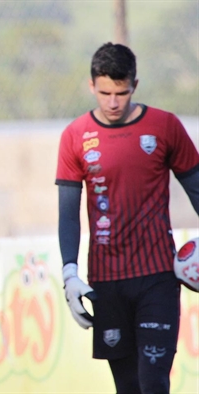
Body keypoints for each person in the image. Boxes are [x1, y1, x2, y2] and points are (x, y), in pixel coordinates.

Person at [55, 42, 199, 393]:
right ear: (92, 86)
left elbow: (196, 188)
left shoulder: (164, 127)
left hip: (157, 277)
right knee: (129, 387)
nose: (113, 102)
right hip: (106, 280)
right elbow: (68, 212)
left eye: (121, 92)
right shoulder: (75, 137)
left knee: (153, 382)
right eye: (105, 93)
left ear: (135, 84)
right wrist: (69, 272)